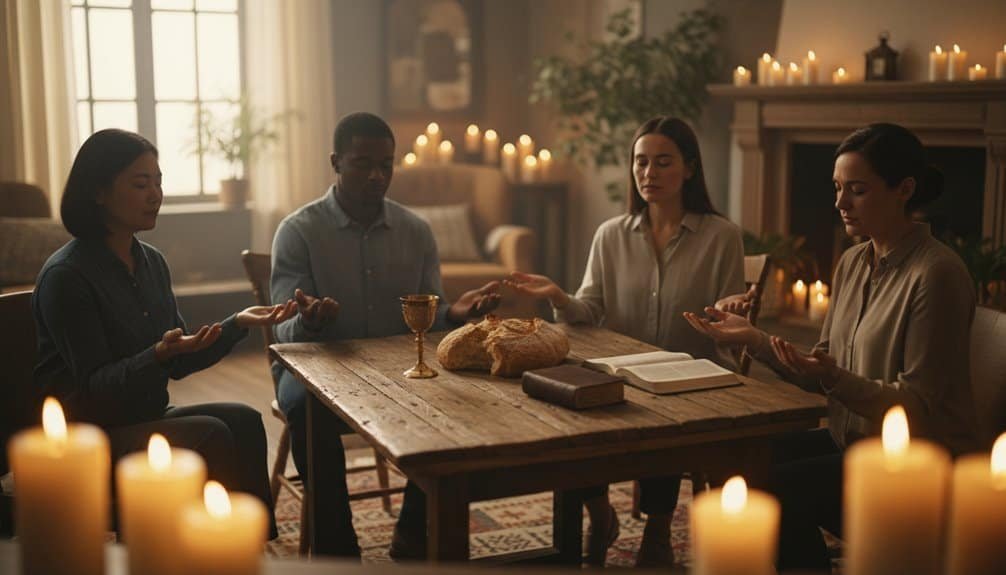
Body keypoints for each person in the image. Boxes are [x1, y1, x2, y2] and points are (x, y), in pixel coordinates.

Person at [686, 122, 978, 570]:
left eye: (857, 190)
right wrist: (754, 338)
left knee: (775, 489)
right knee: (737, 458)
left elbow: (915, 406)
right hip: (850, 441)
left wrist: (830, 375)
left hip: (910, 465)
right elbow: (819, 368)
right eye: (838, 188)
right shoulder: (853, 261)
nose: (840, 203)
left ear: (905, 189)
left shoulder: (936, 274)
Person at [507, 116, 745, 567]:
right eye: (640, 163)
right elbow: (589, 312)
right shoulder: (610, 234)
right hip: (616, 374)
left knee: (666, 414)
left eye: (662, 162)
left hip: (689, 379)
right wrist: (559, 296)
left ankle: (657, 529)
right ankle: (600, 511)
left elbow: (725, 319)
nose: (649, 174)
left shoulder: (722, 237)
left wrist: (730, 312)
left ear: (689, 169)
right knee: (567, 416)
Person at [33, 128, 294, 538]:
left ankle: (248, 549)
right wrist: (156, 354)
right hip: (89, 434)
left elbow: (180, 359)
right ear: (99, 192)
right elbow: (93, 388)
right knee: (212, 433)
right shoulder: (67, 276)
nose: (156, 194)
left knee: (244, 420)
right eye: (141, 184)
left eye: (159, 182)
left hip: (145, 417)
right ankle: (209, 547)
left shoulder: (151, 262)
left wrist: (237, 324)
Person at [270, 112, 501, 559]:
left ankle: (414, 532)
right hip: (319, 368)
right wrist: (312, 321)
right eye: (363, 164)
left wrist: (455, 311)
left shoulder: (415, 231)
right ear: (335, 162)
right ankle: (337, 549)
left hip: (399, 369)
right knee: (303, 409)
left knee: (459, 398)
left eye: (386, 164)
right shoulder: (298, 231)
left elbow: (429, 315)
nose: (378, 175)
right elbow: (283, 329)